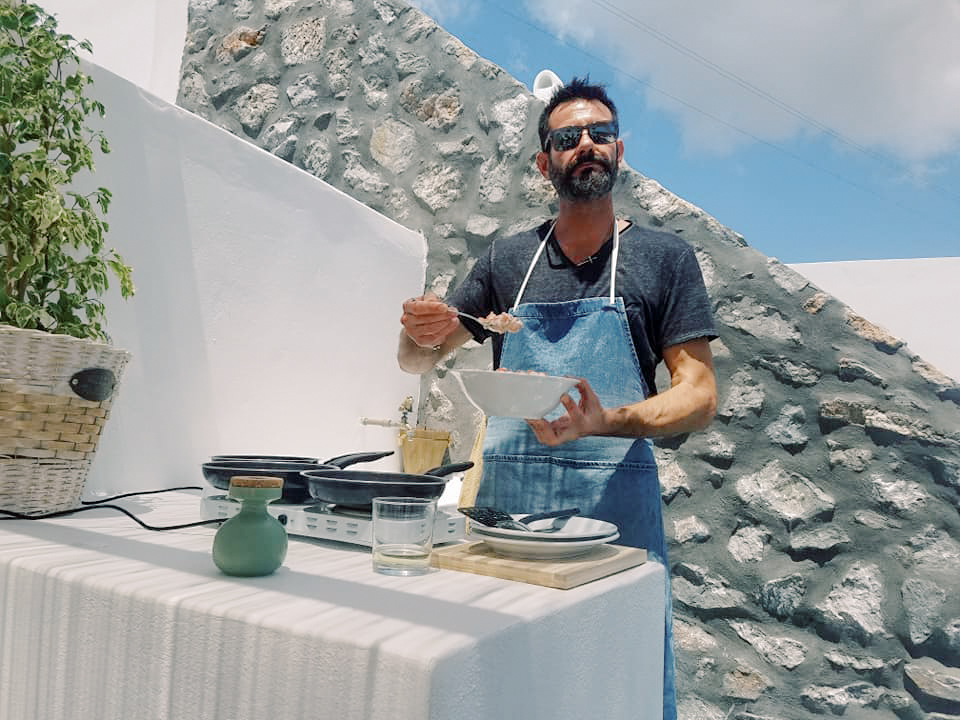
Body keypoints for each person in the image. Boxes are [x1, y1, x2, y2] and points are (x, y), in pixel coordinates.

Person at [397, 76, 717, 719]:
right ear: (546, 163)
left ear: (619, 151)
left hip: (615, 513)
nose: (587, 145)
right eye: (568, 138)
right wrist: (415, 332)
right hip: (506, 513)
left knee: (612, 679)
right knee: (503, 681)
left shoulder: (663, 259)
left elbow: (701, 394)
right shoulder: (508, 260)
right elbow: (421, 359)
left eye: (600, 133)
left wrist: (611, 418)